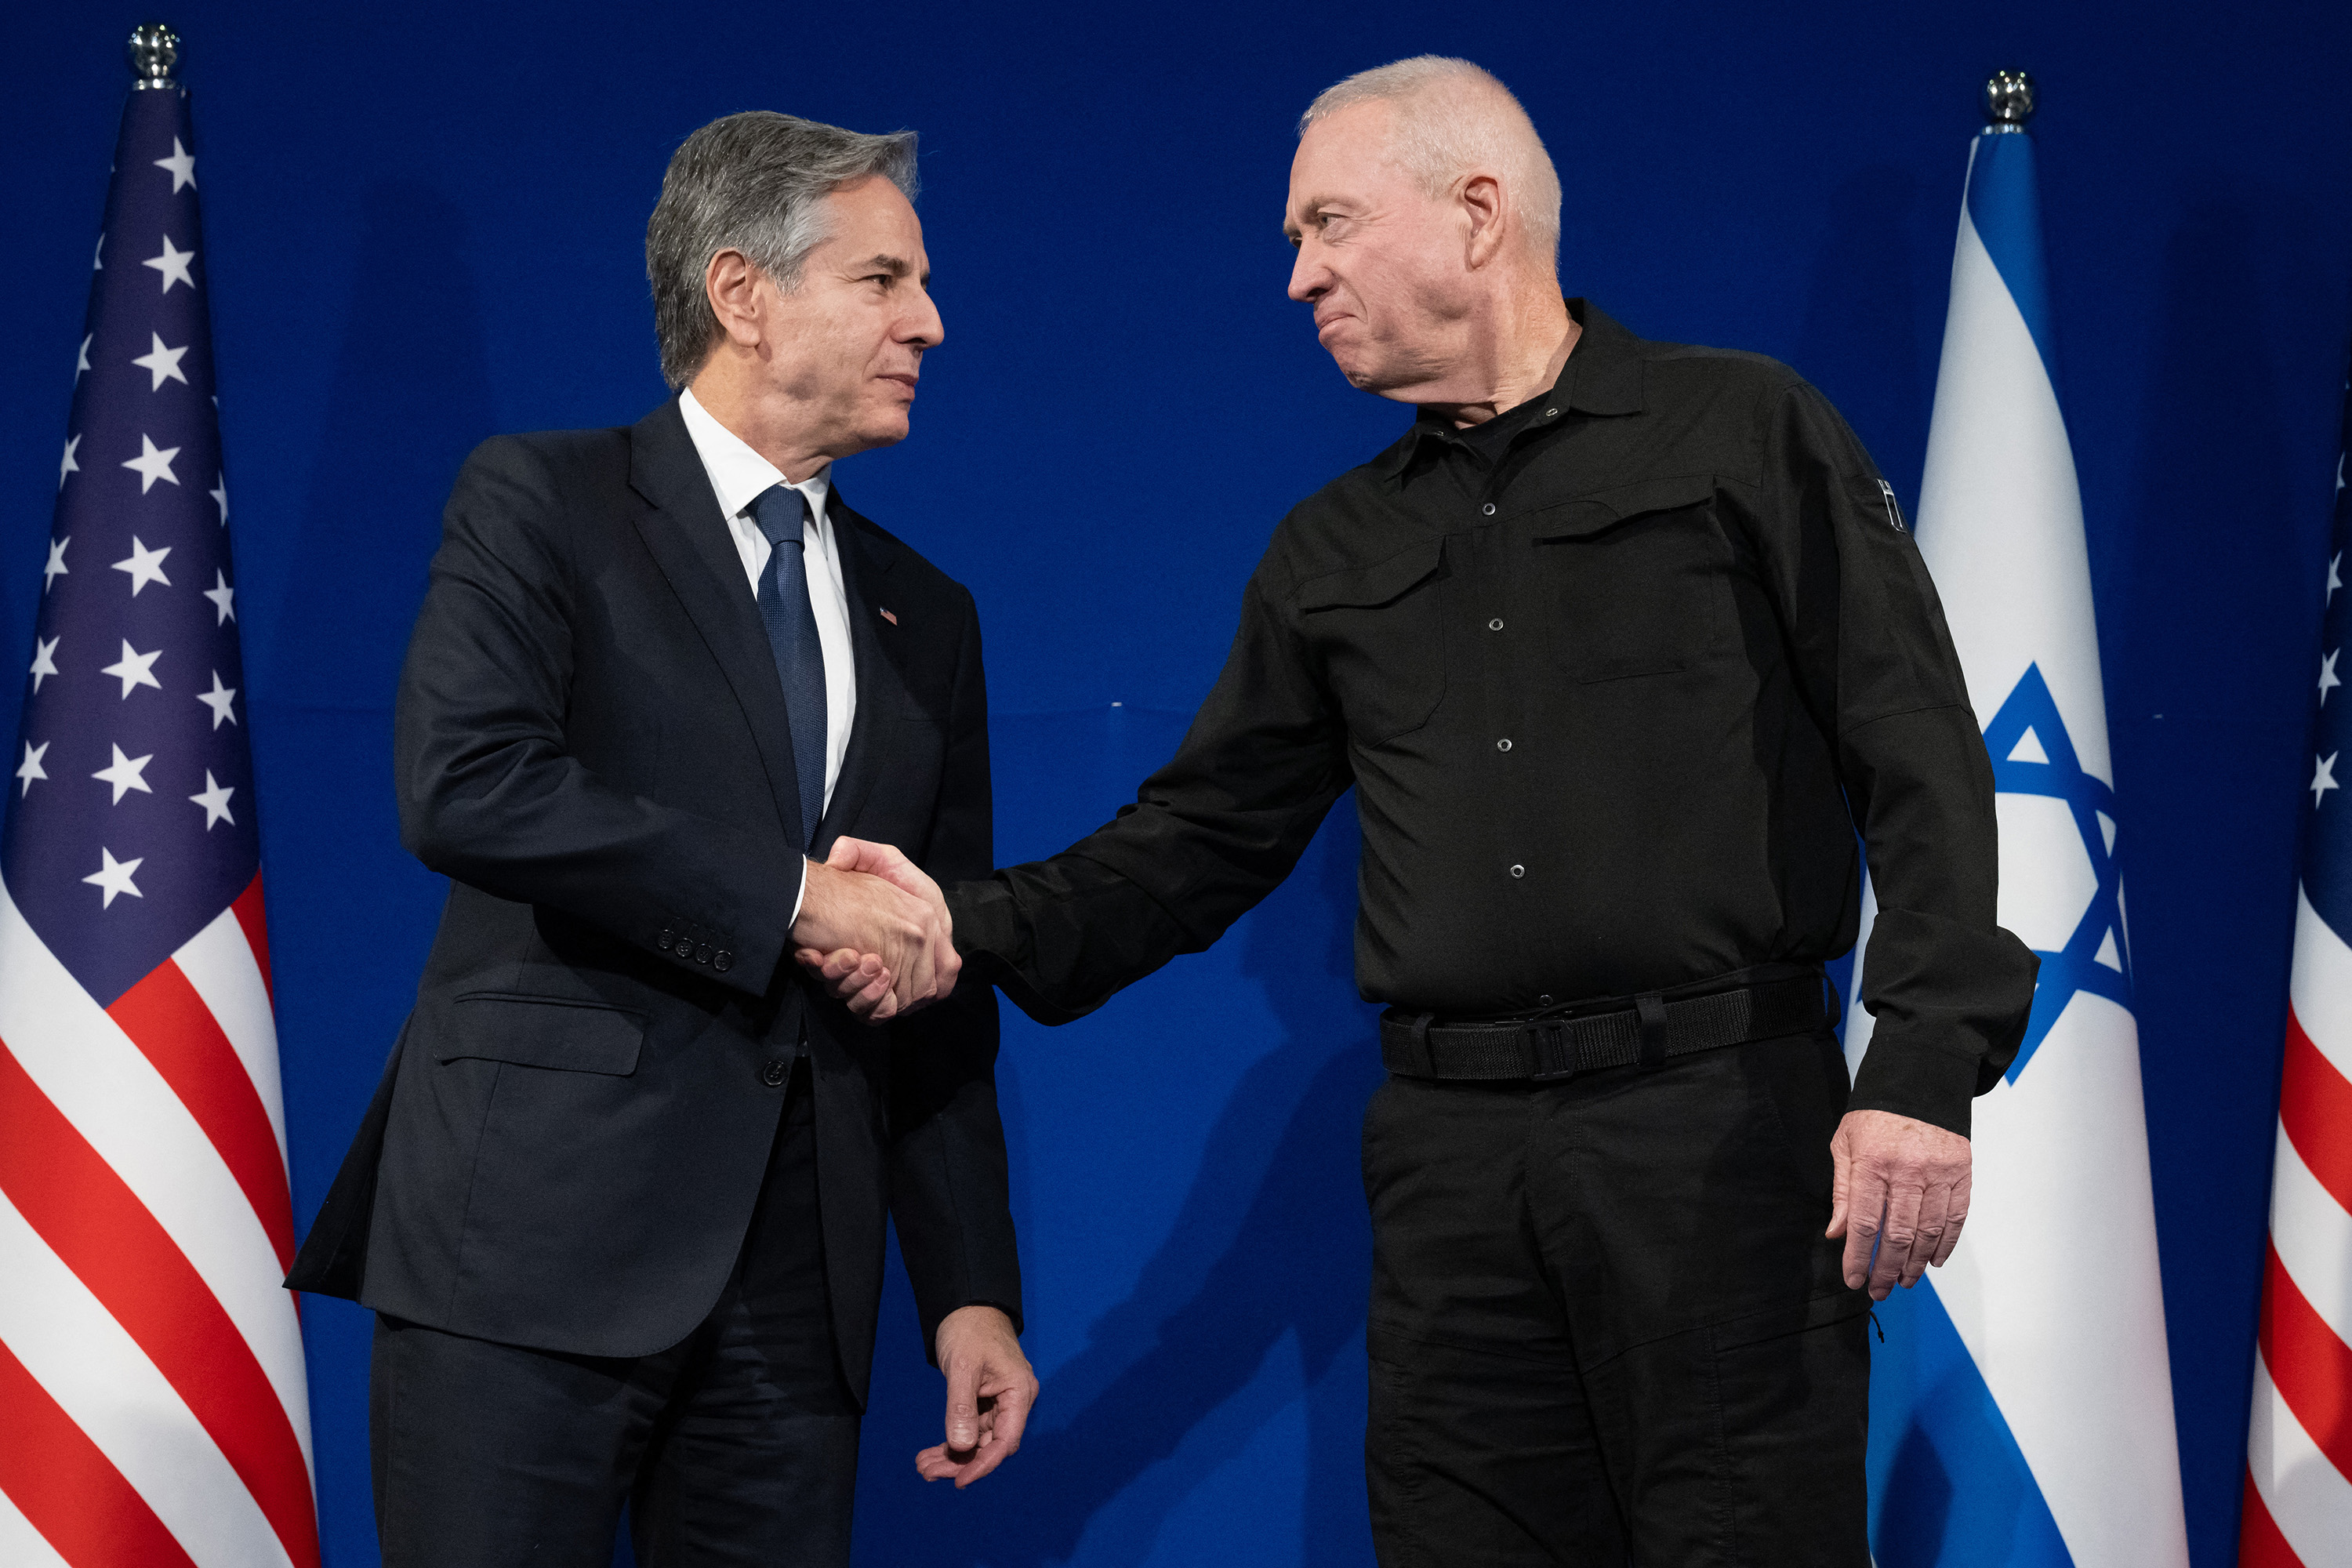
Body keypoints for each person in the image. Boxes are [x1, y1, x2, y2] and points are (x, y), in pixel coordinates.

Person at [810, 57, 2037, 1566]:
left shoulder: (1743, 433)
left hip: (1718, 1144)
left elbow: (1917, 754)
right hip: (1453, 1173)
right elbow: (1197, 843)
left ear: (1476, 213)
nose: (1297, 276)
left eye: (1325, 225)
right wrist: (959, 922)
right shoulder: (1332, 548)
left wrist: (1918, 1065)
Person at [285, 111, 1035, 1566]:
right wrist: (795, 901)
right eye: (884, 282)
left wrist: (969, 1289)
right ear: (742, 295)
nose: (930, 323)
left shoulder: (926, 613)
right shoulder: (543, 502)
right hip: (526, 1252)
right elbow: (468, 783)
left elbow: (935, 958)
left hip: (794, 1286)